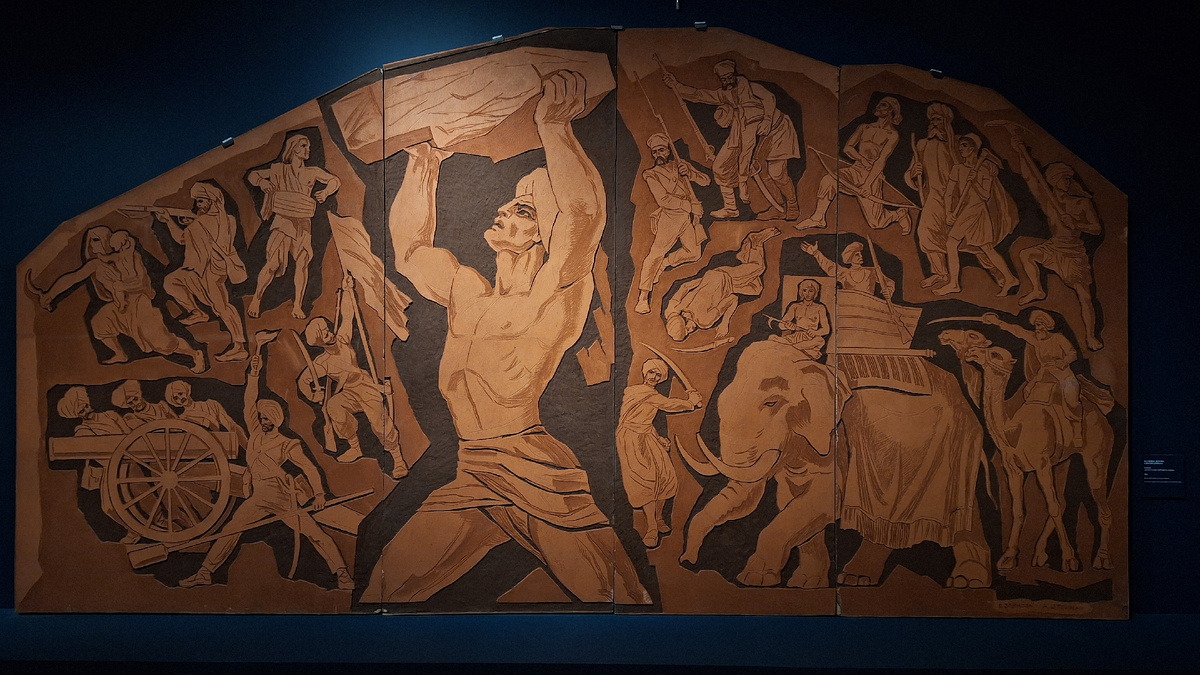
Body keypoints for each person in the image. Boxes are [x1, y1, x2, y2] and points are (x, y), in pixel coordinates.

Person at [366, 71, 650, 604]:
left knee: (619, 600)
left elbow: (584, 214)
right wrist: (423, 165)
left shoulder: (555, 292)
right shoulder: (467, 291)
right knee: (387, 591)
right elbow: (409, 249)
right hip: (473, 470)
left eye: (523, 210)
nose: (503, 211)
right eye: (507, 206)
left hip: (535, 472)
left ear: (545, 232)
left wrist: (555, 130)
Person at [179, 353, 353, 590]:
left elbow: (309, 467)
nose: (260, 421)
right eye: (260, 417)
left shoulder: (286, 444)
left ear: (274, 419)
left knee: (314, 533)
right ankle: (205, 573)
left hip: (282, 497)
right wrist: (253, 374)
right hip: (258, 497)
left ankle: (342, 574)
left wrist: (320, 494)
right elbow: (249, 402)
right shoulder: (255, 435)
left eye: (265, 418)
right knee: (231, 530)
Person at [30, 227, 205, 373]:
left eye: (96, 240)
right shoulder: (96, 264)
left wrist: (122, 286)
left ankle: (194, 354)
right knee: (100, 323)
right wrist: (50, 295)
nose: (92, 245)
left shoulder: (130, 257)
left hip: (140, 304)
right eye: (91, 241)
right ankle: (120, 354)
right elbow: (73, 278)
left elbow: (142, 282)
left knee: (162, 342)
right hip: (120, 306)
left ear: (108, 241)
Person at [298, 275, 407, 479]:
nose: (329, 334)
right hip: (349, 393)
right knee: (333, 406)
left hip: (365, 386)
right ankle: (355, 447)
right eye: (324, 334)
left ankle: (398, 460)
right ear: (319, 341)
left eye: (327, 330)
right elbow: (303, 380)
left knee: (380, 424)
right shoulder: (322, 363)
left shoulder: (343, 340)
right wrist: (313, 395)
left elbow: (347, 315)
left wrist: (348, 290)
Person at [663, 60, 800, 220]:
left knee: (776, 173)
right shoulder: (727, 99)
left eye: (730, 77)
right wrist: (676, 86)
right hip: (760, 136)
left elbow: (769, 98)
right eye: (724, 79)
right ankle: (778, 207)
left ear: (735, 75)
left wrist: (767, 120)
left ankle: (792, 205)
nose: (728, 82)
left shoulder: (751, 90)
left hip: (777, 130)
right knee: (760, 171)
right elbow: (699, 95)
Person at [1006, 129, 1105, 350]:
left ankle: (1091, 336)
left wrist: (1076, 224)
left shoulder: (1081, 203)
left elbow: (1096, 228)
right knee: (1026, 254)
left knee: (1084, 296)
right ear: (1053, 180)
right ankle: (1037, 289)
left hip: (1073, 250)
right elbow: (1031, 178)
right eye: (1063, 178)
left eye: (1069, 179)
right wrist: (1020, 151)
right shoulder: (1049, 202)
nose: (1067, 182)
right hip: (1054, 246)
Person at [246, 135, 341, 320]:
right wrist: (263, 183)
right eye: (304, 146)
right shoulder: (279, 169)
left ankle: (297, 305)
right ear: (294, 148)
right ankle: (256, 299)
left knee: (303, 262)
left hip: (303, 222)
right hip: (283, 220)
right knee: (273, 264)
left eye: (308, 146)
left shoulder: (312, 172)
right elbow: (252, 175)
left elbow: (334, 181)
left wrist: (325, 192)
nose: (308, 149)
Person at [153, 182, 249, 362]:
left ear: (212, 201)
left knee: (222, 307)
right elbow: (207, 235)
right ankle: (197, 312)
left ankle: (239, 347)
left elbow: (181, 239)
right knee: (172, 281)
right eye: (197, 201)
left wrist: (168, 221)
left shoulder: (199, 223)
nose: (198, 205)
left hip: (209, 270)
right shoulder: (228, 219)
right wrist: (193, 224)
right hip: (204, 269)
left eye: (201, 201)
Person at [616, 358, 702, 547]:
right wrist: (691, 403)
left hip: (647, 435)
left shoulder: (651, 395)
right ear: (644, 372)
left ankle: (659, 517)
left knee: (665, 476)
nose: (654, 377)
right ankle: (652, 528)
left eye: (658, 374)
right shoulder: (637, 392)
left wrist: (658, 438)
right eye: (651, 372)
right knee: (645, 481)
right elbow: (668, 405)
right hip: (631, 440)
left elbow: (645, 421)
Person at [799, 97, 912, 233]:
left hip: (873, 176)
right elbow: (848, 148)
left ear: (890, 111)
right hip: (856, 170)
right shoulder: (864, 127)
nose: (878, 106)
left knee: (877, 223)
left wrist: (867, 184)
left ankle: (899, 214)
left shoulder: (892, 134)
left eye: (883, 105)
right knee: (829, 180)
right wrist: (862, 160)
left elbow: (881, 160)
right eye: (878, 104)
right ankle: (818, 218)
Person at [932, 134, 1019, 296]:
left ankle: (954, 284)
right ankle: (1010, 278)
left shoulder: (984, 169)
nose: (960, 149)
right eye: (960, 146)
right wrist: (949, 212)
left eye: (964, 145)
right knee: (986, 248)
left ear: (973, 148)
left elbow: (985, 196)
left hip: (977, 210)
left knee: (952, 243)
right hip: (967, 210)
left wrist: (975, 181)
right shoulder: (958, 169)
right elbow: (948, 193)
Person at [634, 133, 710, 315]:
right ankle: (643, 297)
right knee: (655, 255)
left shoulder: (679, 165)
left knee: (693, 253)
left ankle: (665, 263)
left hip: (686, 218)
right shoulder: (651, 174)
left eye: (661, 150)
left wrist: (690, 173)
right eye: (654, 152)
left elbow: (705, 181)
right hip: (669, 219)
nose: (658, 154)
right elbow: (664, 200)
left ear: (668, 151)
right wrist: (690, 206)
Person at [983, 310, 1084, 446]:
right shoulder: (1036, 340)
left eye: (1040, 325)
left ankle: (1077, 429)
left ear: (1047, 326)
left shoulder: (1058, 338)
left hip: (1063, 375)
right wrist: (997, 322)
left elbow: (1072, 353)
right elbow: (1018, 331)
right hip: (1043, 375)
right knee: (1028, 395)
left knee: (1071, 400)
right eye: (1036, 325)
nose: (1037, 328)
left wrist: (1063, 362)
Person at [663, 227, 780, 341]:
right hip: (719, 280)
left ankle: (754, 240)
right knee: (756, 289)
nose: (690, 331)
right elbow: (685, 286)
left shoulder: (704, 321)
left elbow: (733, 299)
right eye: (688, 333)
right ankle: (744, 255)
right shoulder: (672, 310)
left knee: (759, 267)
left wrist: (725, 323)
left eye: (687, 329)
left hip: (726, 278)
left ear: (682, 320)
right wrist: (706, 280)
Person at [904, 103, 956, 287]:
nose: (934, 123)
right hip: (933, 196)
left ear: (946, 123)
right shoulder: (922, 144)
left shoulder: (955, 145)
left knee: (969, 239)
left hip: (954, 197)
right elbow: (909, 173)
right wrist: (914, 172)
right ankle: (940, 273)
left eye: (938, 119)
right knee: (926, 233)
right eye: (932, 120)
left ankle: (999, 274)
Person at [800, 240, 894, 298]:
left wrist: (888, 291)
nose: (861, 256)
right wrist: (816, 253)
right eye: (857, 255)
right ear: (850, 258)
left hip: (868, 307)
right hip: (850, 307)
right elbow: (829, 266)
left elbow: (889, 283)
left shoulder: (872, 271)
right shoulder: (844, 273)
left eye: (860, 254)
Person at [165, 380, 247, 444]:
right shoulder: (183, 419)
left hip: (222, 444)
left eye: (180, 393)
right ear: (174, 402)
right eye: (176, 398)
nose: (180, 398)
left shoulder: (211, 405)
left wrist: (247, 447)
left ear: (186, 391)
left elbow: (230, 425)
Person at [772, 279, 830, 359]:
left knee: (820, 341)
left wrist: (815, 332)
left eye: (811, 291)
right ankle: (802, 350)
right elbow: (781, 325)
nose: (807, 294)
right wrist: (787, 326)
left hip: (810, 338)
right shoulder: (795, 306)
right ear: (801, 292)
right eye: (804, 290)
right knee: (772, 338)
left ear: (815, 292)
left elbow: (826, 329)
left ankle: (792, 348)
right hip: (796, 337)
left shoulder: (820, 308)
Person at [57, 386, 130, 436]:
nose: (87, 411)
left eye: (86, 406)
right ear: (77, 415)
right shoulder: (83, 429)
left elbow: (129, 434)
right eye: (82, 411)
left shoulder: (111, 415)